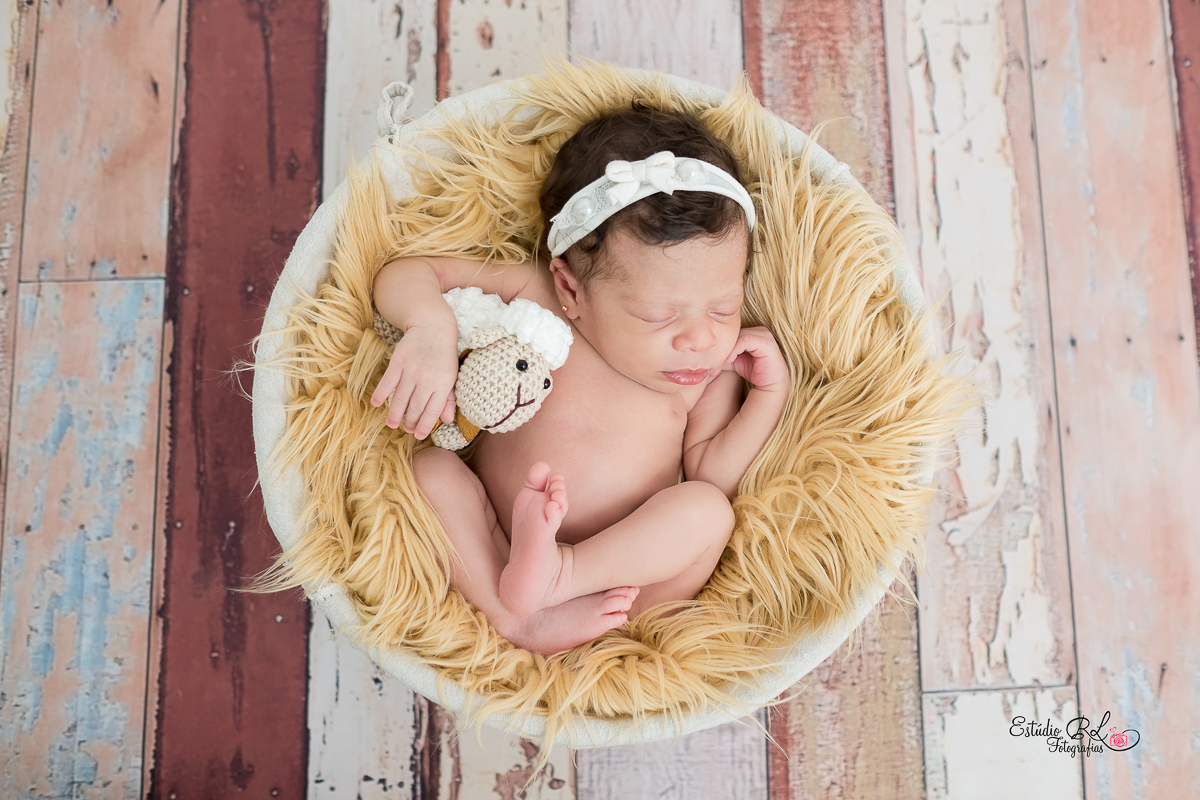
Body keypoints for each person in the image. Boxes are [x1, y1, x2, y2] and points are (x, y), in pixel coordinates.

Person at [370, 105, 790, 655]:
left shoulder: (703, 371)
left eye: (723, 307)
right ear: (572, 290)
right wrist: (430, 327)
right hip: (501, 548)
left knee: (708, 510)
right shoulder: (538, 296)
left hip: (624, 595)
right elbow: (406, 273)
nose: (699, 339)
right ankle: (515, 620)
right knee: (430, 470)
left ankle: (561, 575)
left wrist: (767, 396)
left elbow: (714, 470)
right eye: (657, 316)